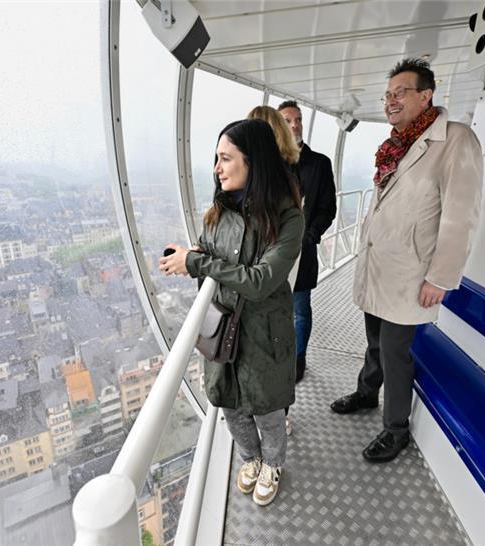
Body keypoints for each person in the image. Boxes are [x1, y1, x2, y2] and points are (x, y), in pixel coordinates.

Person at [330, 58, 483, 463]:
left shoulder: (455, 140)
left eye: (400, 93)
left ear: (426, 95)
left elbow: (460, 215)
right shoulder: (396, 145)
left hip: (412, 273)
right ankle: (367, 393)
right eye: (387, 95)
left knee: (396, 352)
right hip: (379, 265)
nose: (390, 101)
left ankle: (395, 429)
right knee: (375, 341)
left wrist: (440, 277)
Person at [160, 119, 303, 506]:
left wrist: (199, 263)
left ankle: (272, 463)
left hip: (264, 332)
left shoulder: (288, 219)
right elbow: (208, 255)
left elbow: (260, 281)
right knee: (229, 402)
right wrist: (189, 257)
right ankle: (251, 458)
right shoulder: (217, 214)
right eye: (216, 159)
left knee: (268, 410)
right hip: (222, 328)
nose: (217, 168)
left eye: (225, 158)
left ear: (252, 162)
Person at [246, 105, 302, 436]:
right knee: (277, 338)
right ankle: (277, 412)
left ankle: (276, 415)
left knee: (274, 340)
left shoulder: (272, 181)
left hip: (271, 272)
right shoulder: (286, 177)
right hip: (279, 270)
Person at [277, 100, 337, 382]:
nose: (295, 125)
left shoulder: (320, 164)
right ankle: (276, 358)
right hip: (273, 254)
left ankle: (298, 360)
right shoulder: (269, 166)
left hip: (303, 251)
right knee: (274, 309)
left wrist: (310, 237)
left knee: (300, 309)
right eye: (288, 120)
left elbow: (328, 208)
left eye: (298, 119)